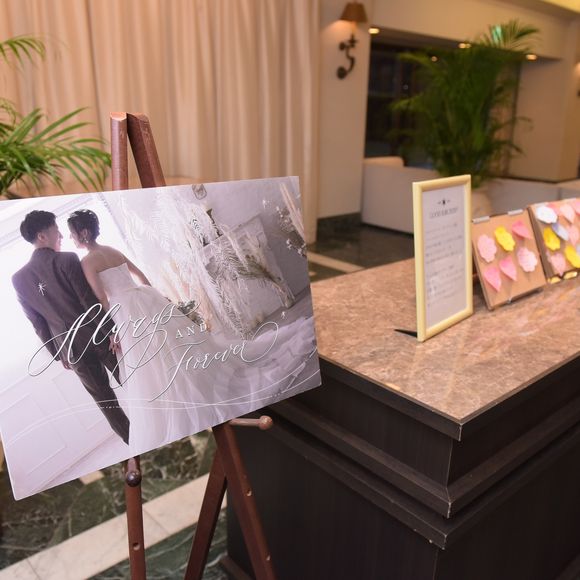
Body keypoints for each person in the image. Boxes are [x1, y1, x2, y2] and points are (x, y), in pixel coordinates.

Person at [67, 209, 317, 455]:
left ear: (83, 233)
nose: (71, 238)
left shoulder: (87, 262)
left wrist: (112, 330)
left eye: (72, 233)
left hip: (126, 311)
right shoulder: (113, 250)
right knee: (175, 350)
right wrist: (154, 300)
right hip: (145, 299)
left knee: (154, 362)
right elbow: (141, 277)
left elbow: (102, 299)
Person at [12, 210, 130, 444]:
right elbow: (88, 301)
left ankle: (133, 442)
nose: (60, 235)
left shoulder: (18, 279)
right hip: (99, 337)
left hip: (71, 351)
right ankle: (160, 424)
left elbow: (37, 322)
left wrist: (59, 353)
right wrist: (111, 331)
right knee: (133, 381)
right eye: (56, 230)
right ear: (42, 236)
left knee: (105, 402)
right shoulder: (67, 259)